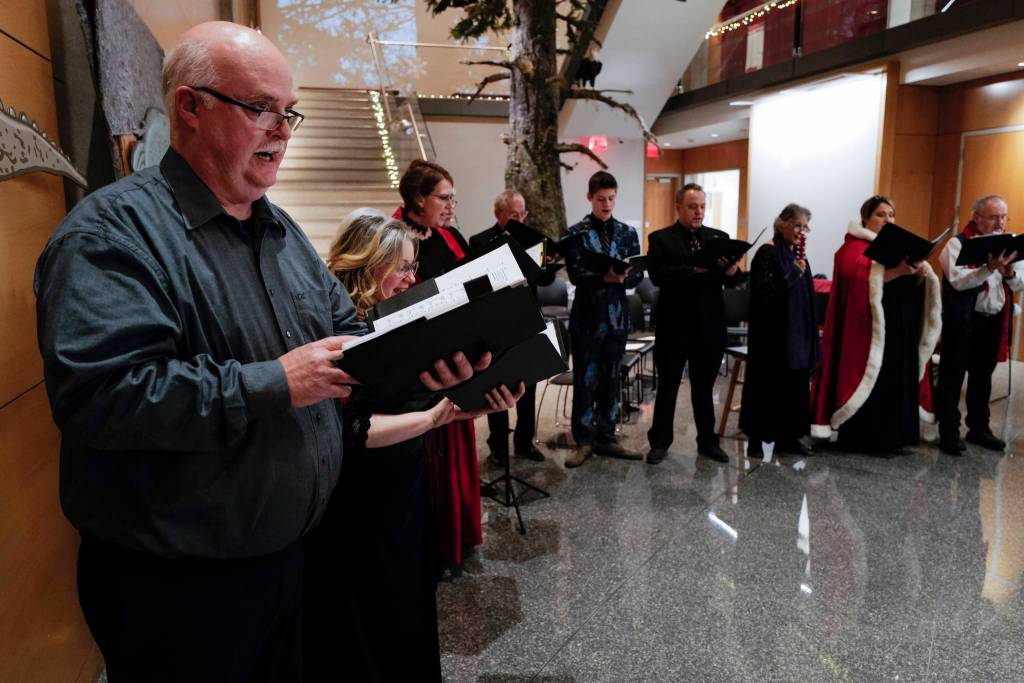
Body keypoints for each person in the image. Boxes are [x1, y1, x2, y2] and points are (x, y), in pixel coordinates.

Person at [33, 23, 483, 681]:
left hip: (292, 560)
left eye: (288, 112)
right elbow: (102, 397)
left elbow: (352, 343)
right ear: (190, 107)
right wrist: (274, 382)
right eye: (260, 108)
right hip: (180, 590)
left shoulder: (282, 231)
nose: (282, 130)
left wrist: (439, 366)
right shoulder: (110, 235)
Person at [304, 210, 521, 681]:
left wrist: (475, 400)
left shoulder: (403, 320)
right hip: (355, 497)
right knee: (367, 619)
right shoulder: (332, 324)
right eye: (401, 267)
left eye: (412, 266)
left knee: (408, 608)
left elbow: (429, 399)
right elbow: (348, 429)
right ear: (368, 263)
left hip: (406, 484)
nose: (411, 278)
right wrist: (432, 418)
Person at [393, 159, 482, 575]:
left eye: (453, 199)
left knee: (453, 444)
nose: (451, 206)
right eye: (443, 198)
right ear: (417, 198)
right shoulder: (392, 237)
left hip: (454, 357)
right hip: (416, 364)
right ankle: (428, 546)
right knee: (424, 454)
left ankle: (455, 539)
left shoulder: (450, 236)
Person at [810, 195, 942, 454]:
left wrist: (920, 273)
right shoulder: (853, 247)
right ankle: (870, 438)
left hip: (900, 324)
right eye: (881, 214)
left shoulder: (899, 245)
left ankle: (896, 436)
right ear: (865, 218)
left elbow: (907, 284)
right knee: (876, 376)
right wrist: (897, 272)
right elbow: (858, 280)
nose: (887, 219)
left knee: (897, 374)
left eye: (891, 215)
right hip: (868, 330)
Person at [646, 183, 741, 465]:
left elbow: (732, 281)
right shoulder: (661, 238)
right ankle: (660, 442)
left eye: (702, 206)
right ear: (678, 207)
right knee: (668, 387)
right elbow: (658, 275)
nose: (698, 212)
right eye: (692, 206)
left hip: (708, 325)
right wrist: (694, 270)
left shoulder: (718, 238)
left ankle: (708, 442)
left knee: (704, 388)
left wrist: (733, 272)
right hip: (674, 325)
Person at [563, 171, 644, 468]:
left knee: (612, 379)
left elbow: (637, 274)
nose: (606, 204)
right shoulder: (575, 234)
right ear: (590, 198)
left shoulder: (627, 233)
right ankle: (584, 440)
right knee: (585, 380)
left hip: (617, 318)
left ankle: (607, 437)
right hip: (587, 317)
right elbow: (575, 275)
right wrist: (603, 277)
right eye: (601, 199)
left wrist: (624, 277)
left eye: (611, 198)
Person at [935, 194, 1022, 455]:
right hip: (963, 320)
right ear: (976, 217)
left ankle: (979, 428)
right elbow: (958, 281)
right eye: (993, 217)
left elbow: (1020, 285)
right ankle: (949, 431)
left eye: (1003, 217)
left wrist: (1009, 273)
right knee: (952, 376)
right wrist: (988, 268)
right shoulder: (957, 244)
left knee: (983, 377)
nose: (1000, 223)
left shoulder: (1011, 245)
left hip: (993, 321)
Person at [469, 190, 548, 465]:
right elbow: (477, 284)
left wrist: (546, 263)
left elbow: (545, 281)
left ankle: (525, 442)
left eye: (523, 214)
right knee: (496, 386)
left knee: (529, 383)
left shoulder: (532, 240)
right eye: (515, 214)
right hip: (496, 325)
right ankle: (499, 446)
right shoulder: (479, 241)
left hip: (527, 321)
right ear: (498, 214)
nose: (521, 219)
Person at [740, 204, 822, 458]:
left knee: (794, 386)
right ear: (782, 224)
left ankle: (790, 438)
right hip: (771, 334)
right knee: (766, 386)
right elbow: (764, 294)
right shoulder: (768, 252)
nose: (801, 231)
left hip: (795, 333)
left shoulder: (797, 254)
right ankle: (756, 440)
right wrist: (792, 275)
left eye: (805, 227)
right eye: (797, 225)